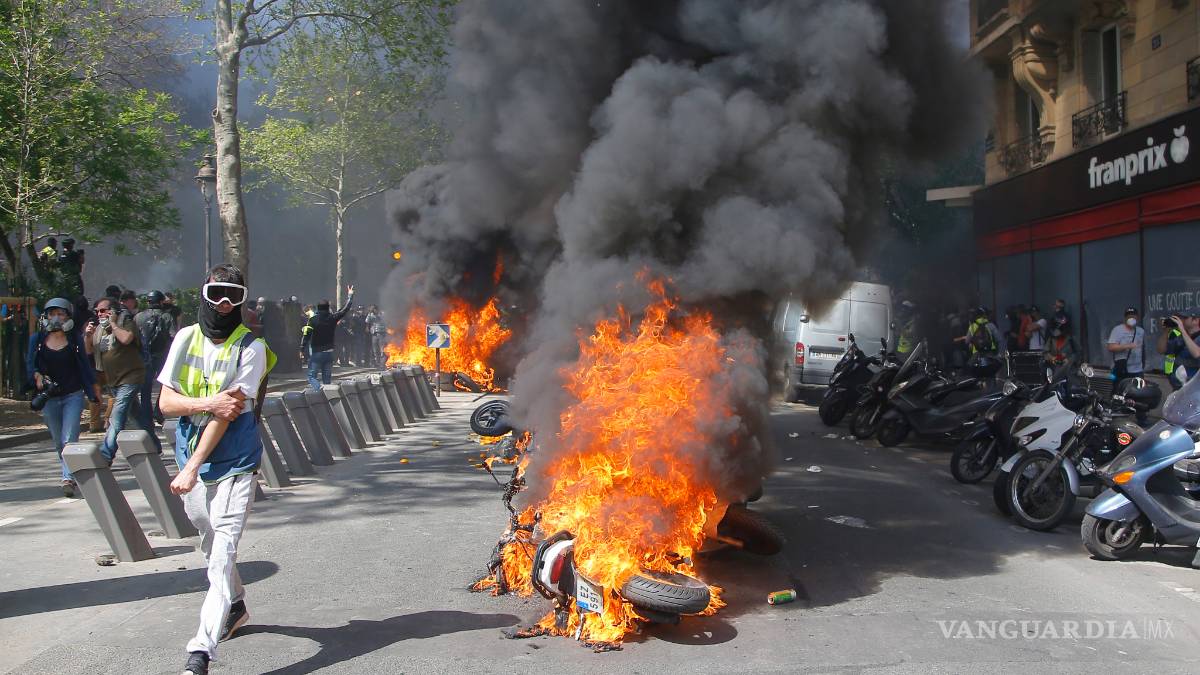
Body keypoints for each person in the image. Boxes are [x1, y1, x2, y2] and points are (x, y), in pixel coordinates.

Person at [158, 264, 276, 675]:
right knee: (208, 537)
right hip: (190, 456)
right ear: (204, 294)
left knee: (221, 553)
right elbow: (166, 403)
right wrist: (205, 404)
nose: (224, 303)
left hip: (235, 462)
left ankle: (201, 651)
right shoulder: (185, 338)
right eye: (217, 294)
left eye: (233, 296)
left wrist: (192, 467)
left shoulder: (252, 348)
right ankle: (236, 603)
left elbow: (227, 415)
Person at [25, 298, 100, 496]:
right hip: (49, 397)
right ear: (46, 317)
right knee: (59, 441)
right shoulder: (37, 340)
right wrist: (37, 376)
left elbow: (84, 365)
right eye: (52, 314)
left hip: (73, 395)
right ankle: (69, 469)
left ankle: (68, 478)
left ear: (68, 317)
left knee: (69, 439)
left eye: (60, 314)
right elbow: (30, 365)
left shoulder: (75, 340)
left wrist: (93, 389)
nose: (56, 318)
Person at [86, 296, 150, 463]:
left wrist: (113, 324)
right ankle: (154, 446)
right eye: (97, 311)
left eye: (103, 311)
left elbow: (126, 339)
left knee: (117, 413)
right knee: (136, 416)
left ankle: (106, 454)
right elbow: (89, 351)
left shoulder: (126, 322)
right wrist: (87, 336)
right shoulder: (99, 329)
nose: (100, 314)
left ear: (114, 311)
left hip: (131, 376)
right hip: (113, 380)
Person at [135, 290, 176, 439]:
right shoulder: (167, 316)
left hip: (144, 357)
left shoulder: (139, 317)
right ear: (160, 301)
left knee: (145, 391)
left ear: (148, 302)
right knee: (166, 385)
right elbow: (173, 336)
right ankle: (158, 410)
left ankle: (147, 421)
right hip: (162, 356)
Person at [301, 287, 355, 390]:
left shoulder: (313, 320)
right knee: (327, 379)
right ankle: (327, 393)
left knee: (312, 376)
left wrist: (302, 349)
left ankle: (318, 389)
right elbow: (345, 309)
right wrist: (350, 295)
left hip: (317, 352)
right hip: (329, 353)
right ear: (327, 308)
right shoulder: (332, 318)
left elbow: (306, 335)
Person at [1156, 313, 1200, 390]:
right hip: (1178, 386)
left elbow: (1197, 354)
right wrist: (1166, 332)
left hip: (1194, 388)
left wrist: (1182, 330)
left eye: (1185, 318)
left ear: (1195, 320)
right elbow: (1161, 350)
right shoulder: (1180, 338)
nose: (1181, 321)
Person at [1107, 307, 1146, 382]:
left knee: (1138, 388)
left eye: (1133, 316)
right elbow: (1110, 347)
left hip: (1138, 370)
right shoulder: (1117, 330)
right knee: (1120, 387)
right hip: (1122, 368)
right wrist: (1127, 346)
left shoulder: (1141, 331)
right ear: (1125, 318)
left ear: (1137, 318)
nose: (1131, 318)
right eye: (1129, 317)